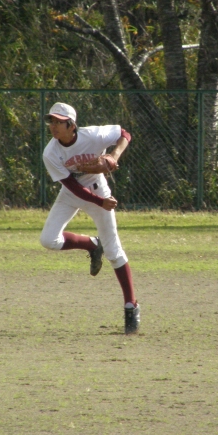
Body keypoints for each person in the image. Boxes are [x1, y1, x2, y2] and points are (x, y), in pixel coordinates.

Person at [39, 102, 140, 334]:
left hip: (97, 187)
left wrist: (114, 155)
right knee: (48, 240)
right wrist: (99, 202)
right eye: (51, 121)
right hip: (72, 193)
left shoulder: (93, 135)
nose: (53, 126)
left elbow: (124, 133)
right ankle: (92, 245)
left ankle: (131, 306)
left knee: (114, 251)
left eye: (59, 122)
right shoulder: (50, 152)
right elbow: (71, 185)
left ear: (71, 125)